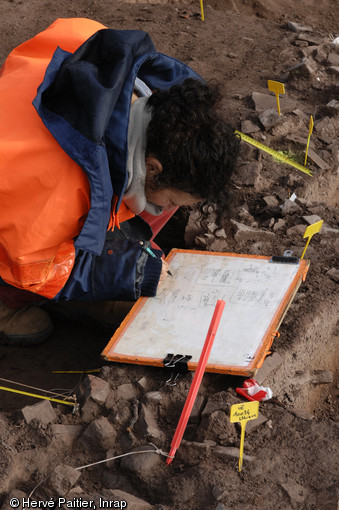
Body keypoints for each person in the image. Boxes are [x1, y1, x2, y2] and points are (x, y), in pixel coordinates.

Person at [0, 18, 240, 346]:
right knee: (25, 268)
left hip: (18, 138)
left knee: (148, 205)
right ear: (151, 168)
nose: (168, 207)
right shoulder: (52, 192)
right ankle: (6, 304)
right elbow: (32, 267)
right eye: (172, 199)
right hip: (19, 211)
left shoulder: (127, 84)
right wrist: (127, 273)